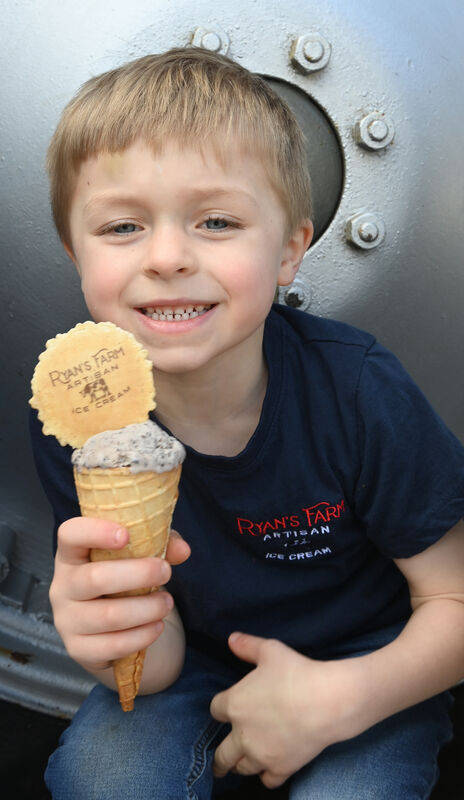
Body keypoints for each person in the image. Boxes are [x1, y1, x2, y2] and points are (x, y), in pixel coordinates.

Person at [29, 46, 464, 800]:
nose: (167, 256)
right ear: (75, 254)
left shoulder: (358, 392)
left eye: (217, 220)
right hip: (192, 659)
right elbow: (155, 663)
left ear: (291, 249)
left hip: (367, 657)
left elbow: (454, 601)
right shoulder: (79, 429)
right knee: (104, 777)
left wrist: (341, 699)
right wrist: (108, 636)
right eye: (123, 226)